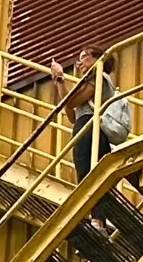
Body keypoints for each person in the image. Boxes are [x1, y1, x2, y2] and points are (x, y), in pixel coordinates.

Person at [50, 49, 118, 178]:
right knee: (90, 175)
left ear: (98, 58)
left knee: (88, 176)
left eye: (84, 56)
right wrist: (59, 80)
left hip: (90, 130)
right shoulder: (91, 80)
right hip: (88, 129)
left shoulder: (99, 77)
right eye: (79, 59)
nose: (80, 62)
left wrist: (60, 77)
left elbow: (70, 102)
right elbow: (72, 116)